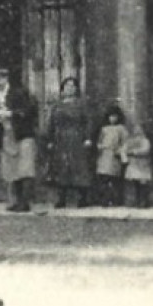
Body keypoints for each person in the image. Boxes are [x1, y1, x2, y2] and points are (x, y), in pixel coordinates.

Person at [0, 67, 39, 212]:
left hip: (23, 135)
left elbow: (30, 110)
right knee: (12, 169)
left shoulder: (19, 93)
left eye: (0, 79)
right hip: (6, 136)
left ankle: (25, 202)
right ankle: (16, 201)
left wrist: (12, 114)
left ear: (6, 79)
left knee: (25, 169)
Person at [46, 76, 95, 208]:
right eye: (67, 86)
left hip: (77, 138)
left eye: (72, 86)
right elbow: (51, 123)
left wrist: (88, 138)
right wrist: (50, 139)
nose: (70, 88)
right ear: (62, 89)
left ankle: (82, 198)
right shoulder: (57, 105)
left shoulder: (81, 104)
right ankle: (61, 198)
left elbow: (88, 122)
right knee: (61, 167)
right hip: (60, 139)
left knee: (79, 166)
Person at [94, 103, 129, 206]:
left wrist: (121, 151)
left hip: (114, 155)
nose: (112, 119)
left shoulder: (121, 129)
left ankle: (116, 200)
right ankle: (104, 200)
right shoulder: (104, 129)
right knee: (103, 178)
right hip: (104, 155)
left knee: (114, 179)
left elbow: (125, 142)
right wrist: (99, 146)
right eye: (110, 116)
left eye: (114, 116)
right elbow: (100, 141)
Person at [122, 122, 153, 208]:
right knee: (134, 183)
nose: (137, 132)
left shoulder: (145, 140)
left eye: (139, 130)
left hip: (143, 164)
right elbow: (123, 150)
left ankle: (143, 202)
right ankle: (136, 201)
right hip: (133, 164)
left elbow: (146, 150)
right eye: (135, 130)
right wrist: (125, 159)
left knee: (143, 183)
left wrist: (134, 152)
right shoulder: (129, 141)